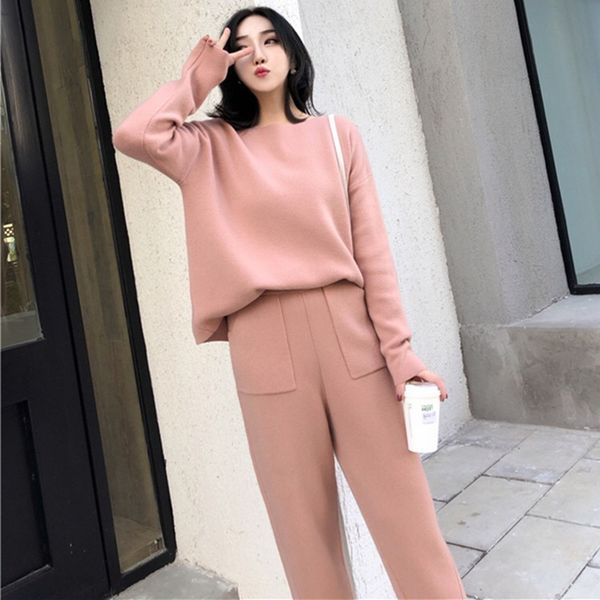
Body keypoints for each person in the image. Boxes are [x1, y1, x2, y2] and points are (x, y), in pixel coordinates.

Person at [112, 6, 465, 599]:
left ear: (293, 54)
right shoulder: (210, 147)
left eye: (271, 40)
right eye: (242, 46)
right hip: (263, 341)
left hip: (350, 335)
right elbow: (135, 134)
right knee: (305, 536)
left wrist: (401, 354)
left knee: (408, 524)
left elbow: (373, 255)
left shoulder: (337, 136)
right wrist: (196, 78)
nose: (257, 53)